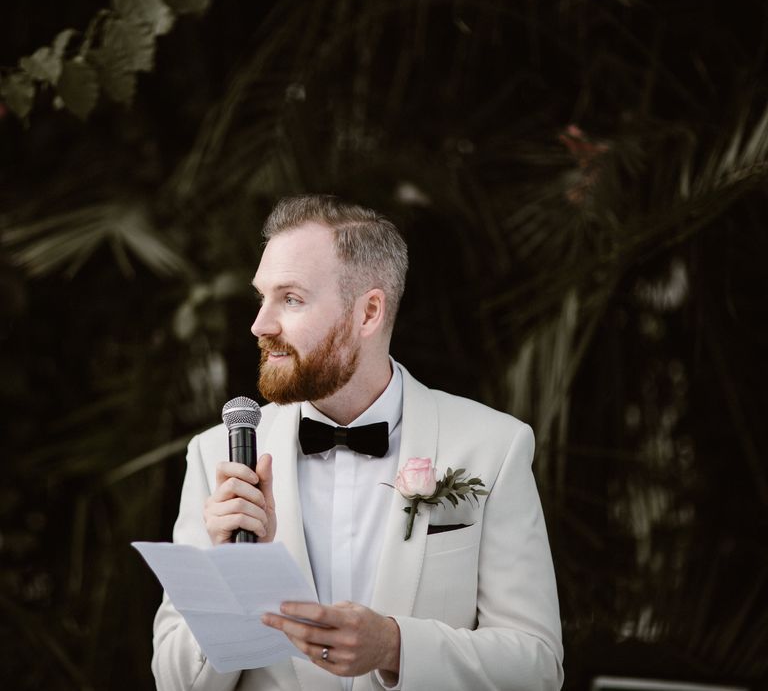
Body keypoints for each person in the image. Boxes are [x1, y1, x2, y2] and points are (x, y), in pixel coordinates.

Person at [152, 194, 564, 691]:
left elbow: (537, 667)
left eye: (291, 298)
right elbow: (176, 684)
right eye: (262, 297)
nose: (260, 325)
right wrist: (231, 571)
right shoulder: (216, 455)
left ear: (368, 313)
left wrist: (395, 648)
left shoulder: (493, 448)